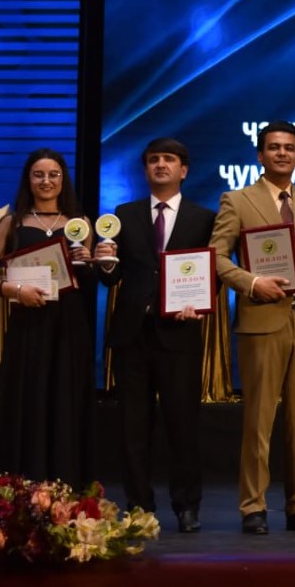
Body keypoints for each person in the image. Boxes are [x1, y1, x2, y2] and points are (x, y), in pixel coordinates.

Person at [209, 121, 295, 534]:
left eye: (289, 148)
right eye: (273, 147)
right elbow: (217, 256)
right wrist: (251, 283)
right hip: (262, 318)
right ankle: (254, 506)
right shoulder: (237, 200)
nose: (282, 153)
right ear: (260, 155)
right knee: (259, 420)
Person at [94, 138, 215, 533]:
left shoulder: (204, 218)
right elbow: (112, 276)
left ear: (184, 170)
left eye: (169, 159)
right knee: (134, 428)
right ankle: (139, 505)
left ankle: (187, 506)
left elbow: (211, 274)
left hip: (179, 333)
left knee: (183, 425)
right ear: (146, 169)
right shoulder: (123, 215)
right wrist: (103, 262)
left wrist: (197, 302)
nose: (161, 165)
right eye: (153, 160)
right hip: (133, 334)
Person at [0, 149, 95, 487]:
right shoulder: (11, 223)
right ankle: (22, 490)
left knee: (65, 403)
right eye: (38, 174)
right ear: (28, 179)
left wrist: (91, 260)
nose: (46, 181)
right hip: (27, 325)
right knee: (28, 402)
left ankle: (66, 492)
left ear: (63, 179)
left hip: (70, 327)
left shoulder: (79, 224)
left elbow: (89, 279)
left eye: (54, 174)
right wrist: (14, 290)